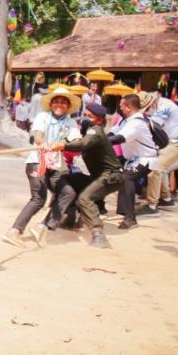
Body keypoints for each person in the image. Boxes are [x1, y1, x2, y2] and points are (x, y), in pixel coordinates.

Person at [2, 86, 81, 248]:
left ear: (68, 106)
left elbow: (76, 141)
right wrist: (42, 143)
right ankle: (14, 231)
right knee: (39, 198)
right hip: (37, 162)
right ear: (51, 104)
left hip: (56, 165)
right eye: (56, 102)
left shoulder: (71, 122)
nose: (59, 105)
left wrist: (62, 144)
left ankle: (44, 226)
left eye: (63, 102)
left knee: (68, 192)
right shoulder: (43, 116)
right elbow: (37, 135)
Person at [47, 103, 121, 248]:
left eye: (90, 116)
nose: (85, 118)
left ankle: (99, 235)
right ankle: (70, 219)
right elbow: (78, 142)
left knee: (85, 198)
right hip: (98, 176)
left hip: (111, 177)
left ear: (99, 120)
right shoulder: (87, 132)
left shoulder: (96, 131)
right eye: (85, 114)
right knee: (68, 180)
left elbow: (81, 145)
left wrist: (63, 145)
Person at [137, 91, 178, 216]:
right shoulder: (156, 105)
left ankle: (152, 206)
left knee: (155, 168)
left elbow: (152, 126)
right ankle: (166, 199)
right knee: (160, 169)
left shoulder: (165, 106)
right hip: (172, 142)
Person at [107, 93, 158, 229]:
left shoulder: (136, 123)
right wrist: (102, 137)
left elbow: (119, 138)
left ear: (128, 107)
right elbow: (113, 132)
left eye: (122, 106)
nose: (120, 109)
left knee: (126, 178)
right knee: (115, 175)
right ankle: (108, 208)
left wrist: (100, 142)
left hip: (145, 159)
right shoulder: (126, 120)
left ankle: (130, 218)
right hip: (132, 159)